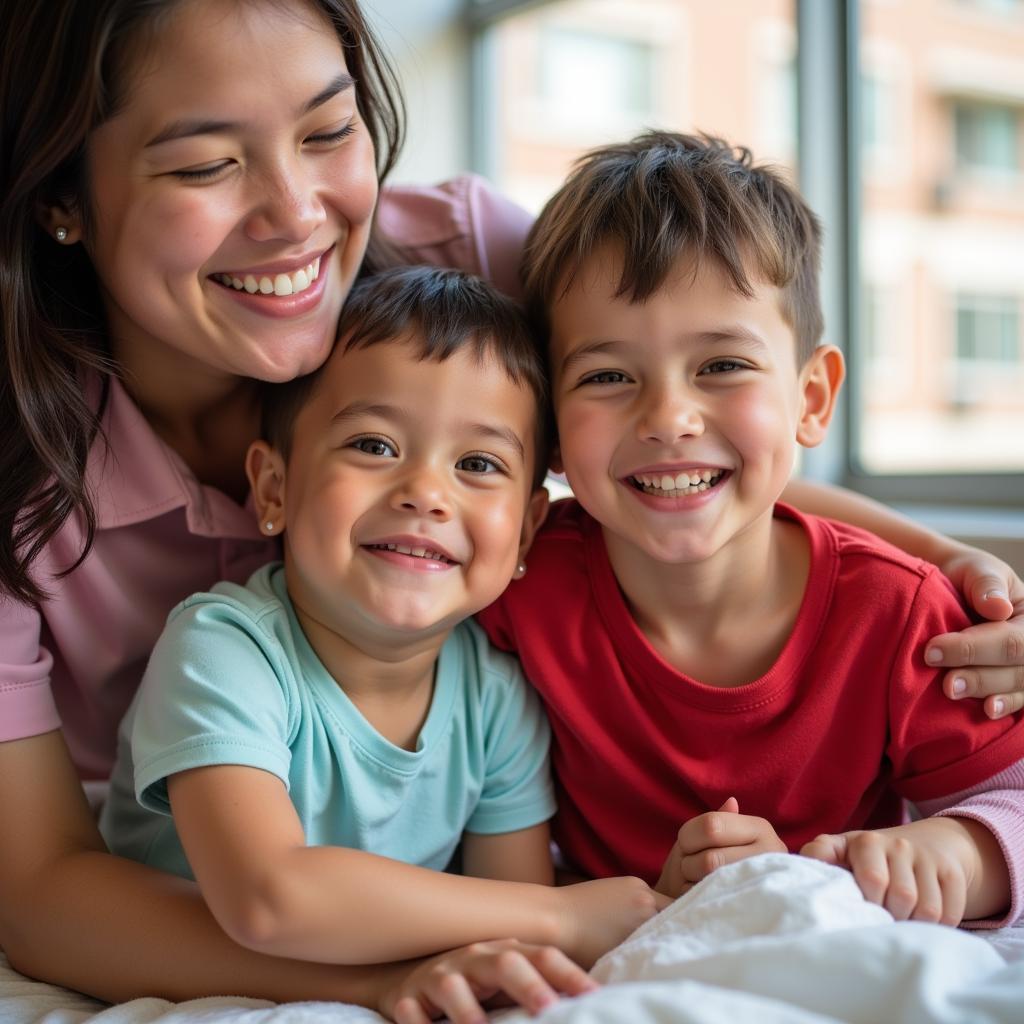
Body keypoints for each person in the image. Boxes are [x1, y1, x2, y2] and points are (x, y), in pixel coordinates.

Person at [0, 0, 1021, 1019]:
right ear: (62, 197)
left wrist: (946, 565)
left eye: (326, 131)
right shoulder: (45, 488)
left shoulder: (462, 256)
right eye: (204, 165)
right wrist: (384, 981)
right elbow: (42, 889)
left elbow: (683, 437)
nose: (297, 214)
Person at [479, 131, 1024, 928]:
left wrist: (954, 855)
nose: (668, 417)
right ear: (552, 430)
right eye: (607, 376)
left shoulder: (897, 611)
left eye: (722, 365)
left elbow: (1009, 802)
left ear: (810, 399)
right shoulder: (521, 581)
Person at [99, 265, 664, 984]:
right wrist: (561, 915)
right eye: (373, 446)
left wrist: (525, 930)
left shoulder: (496, 702)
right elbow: (268, 898)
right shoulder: (222, 649)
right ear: (274, 488)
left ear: (525, 534)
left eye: (478, 462)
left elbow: (508, 920)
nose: (425, 493)